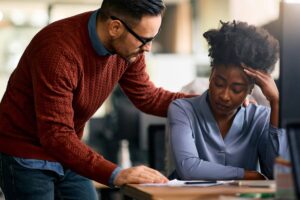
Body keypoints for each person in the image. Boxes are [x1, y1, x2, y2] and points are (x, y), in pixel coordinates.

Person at [0, 0, 192, 199]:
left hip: (67, 148)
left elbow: (148, 96)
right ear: (114, 27)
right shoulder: (58, 50)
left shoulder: (128, 48)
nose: (148, 48)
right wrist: (116, 174)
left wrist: (206, 104)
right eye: (144, 40)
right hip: (25, 152)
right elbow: (56, 134)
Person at [167, 21, 288, 180]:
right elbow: (188, 168)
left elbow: (279, 175)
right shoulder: (182, 110)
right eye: (219, 83)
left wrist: (276, 102)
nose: (224, 95)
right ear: (211, 75)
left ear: (250, 89)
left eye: (236, 89)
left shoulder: (259, 118)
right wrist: (245, 174)